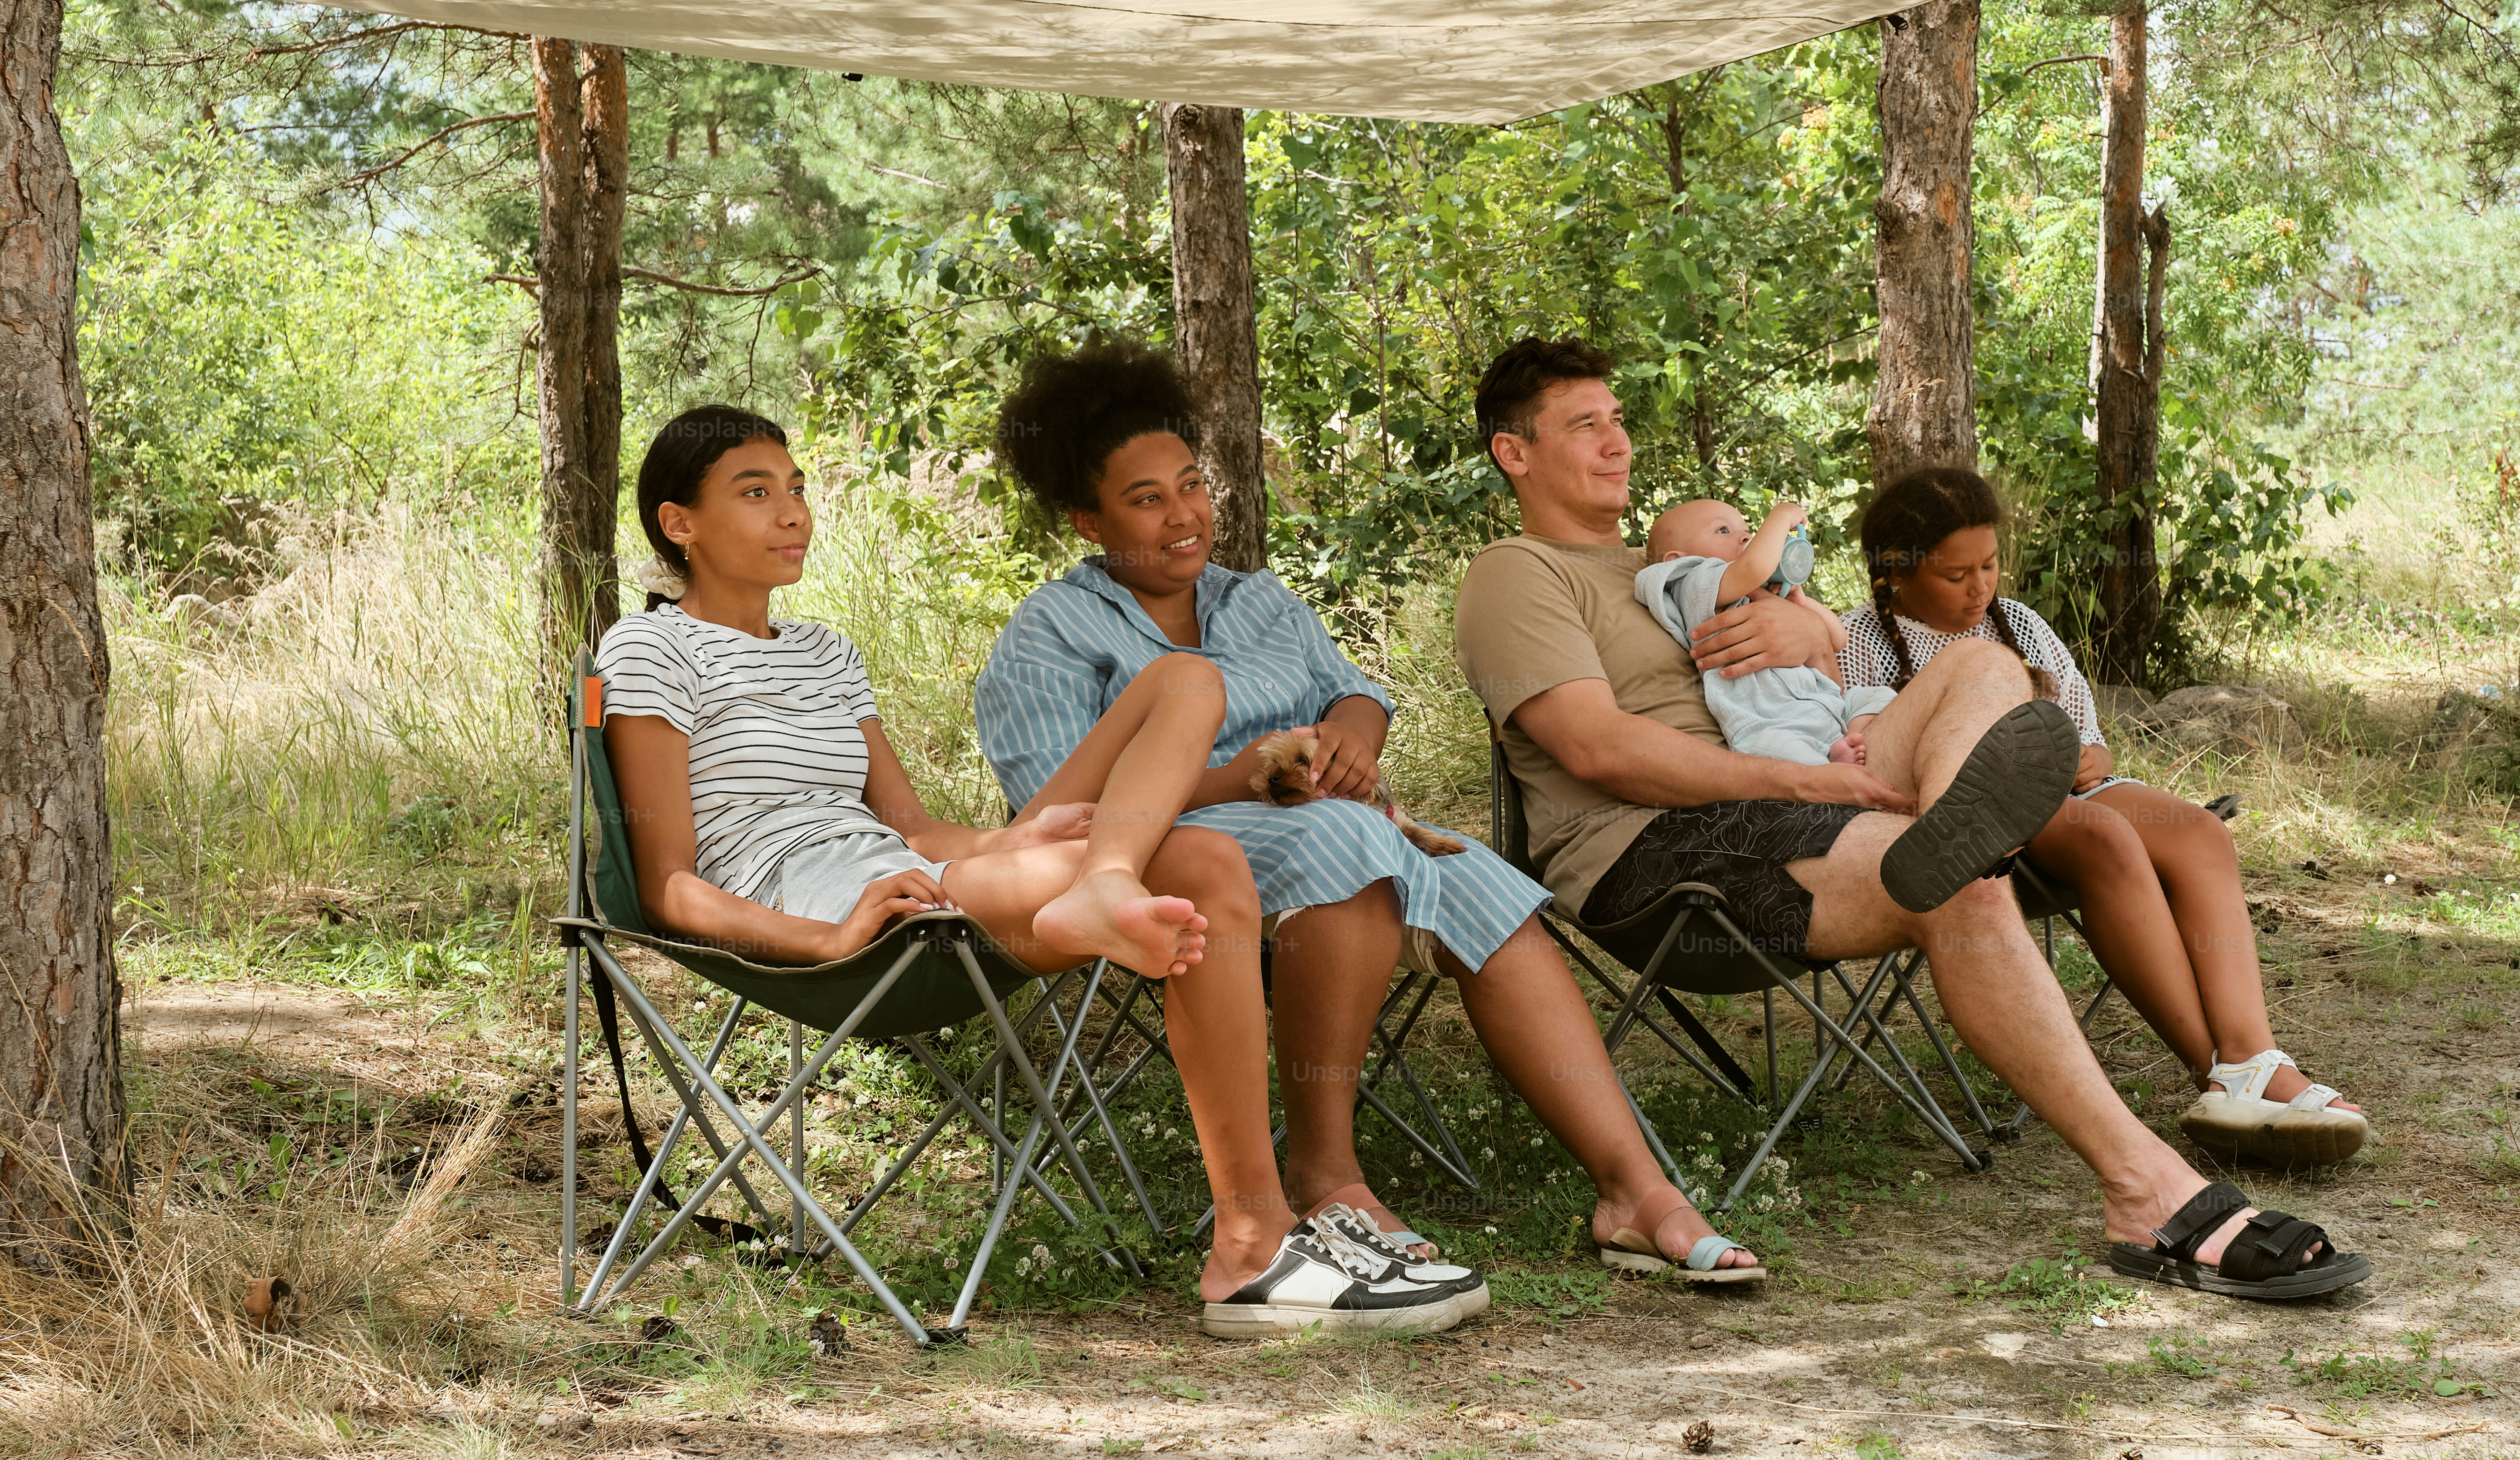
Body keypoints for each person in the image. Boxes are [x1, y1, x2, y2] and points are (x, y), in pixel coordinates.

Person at [1454, 336, 2370, 1301]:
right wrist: (1806, 785)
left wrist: (1814, 635)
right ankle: (2148, 1186)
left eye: (1619, 418)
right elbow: (1598, 748)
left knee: (1985, 664)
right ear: (1515, 453)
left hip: (1807, 785)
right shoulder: (1518, 573)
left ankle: (1955, 831)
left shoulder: (1686, 560)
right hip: (1661, 850)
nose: (1618, 441)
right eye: (1585, 424)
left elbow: (1839, 671)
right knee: (1963, 890)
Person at [599, 405, 1484, 1336]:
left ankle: (1239, 1215)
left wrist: (1013, 842)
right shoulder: (650, 648)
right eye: (755, 492)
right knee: (1161, 866)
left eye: (797, 488)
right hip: (824, 898)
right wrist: (829, 933)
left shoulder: (827, 650)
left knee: (1197, 757)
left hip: (911, 872)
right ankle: (1255, 1237)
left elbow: (913, 827)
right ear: (679, 522)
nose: (792, 513)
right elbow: (669, 885)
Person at [974, 341, 1769, 1285]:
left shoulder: (1259, 599)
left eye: (1191, 485)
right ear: (1087, 520)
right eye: (1147, 500)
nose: (1185, 515)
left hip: (1331, 828)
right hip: (1178, 855)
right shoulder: (1051, 632)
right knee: (1348, 838)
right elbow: (1057, 811)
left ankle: (1634, 1189)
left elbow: (1355, 690)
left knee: (1481, 878)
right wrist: (1249, 778)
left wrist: (1355, 733)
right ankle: (1325, 1172)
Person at [1837, 465, 2367, 1169]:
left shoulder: (2017, 623)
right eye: (1955, 574)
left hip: (2067, 790)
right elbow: (1871, 753)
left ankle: (2251, 1054)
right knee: (2108, 837)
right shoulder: (1861, 639)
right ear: (1895, 574)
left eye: (1990, 565)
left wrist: (2088, 755)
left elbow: (2089, 733)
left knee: (2201, 832)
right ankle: (2217, 1075)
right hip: (1974, 819)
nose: (1980, 587)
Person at [1638, 496, 1895, 769]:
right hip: (1769, 720)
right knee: (1774, 751)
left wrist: (1802, 604)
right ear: (1678, 560)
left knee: (1879, 696)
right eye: (1723, 531)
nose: (1746, 537)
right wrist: (1781, 517)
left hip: (1824, 707)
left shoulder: (1757, 591)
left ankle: (1852, 739)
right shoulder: (1692, 583)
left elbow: (1838, 639)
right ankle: (1831, 767)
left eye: (1747, 529)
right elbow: (1753, 568)